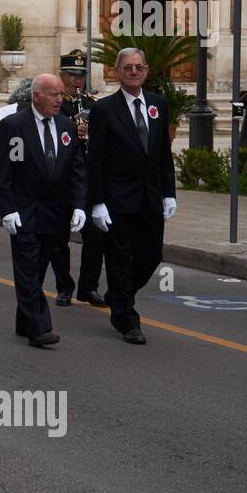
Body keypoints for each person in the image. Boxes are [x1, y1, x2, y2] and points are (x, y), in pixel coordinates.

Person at [87, 47, 177, 345]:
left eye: (139, 67)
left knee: (151, 255)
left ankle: (117, 294)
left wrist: (169, 193)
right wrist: (97, 202)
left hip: (150, 197)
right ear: (117, 72)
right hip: (117, 199)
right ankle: (127, 319)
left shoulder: (158, 104)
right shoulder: (104, 109)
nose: (134, 72)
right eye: (128, 68)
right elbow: (95, 159)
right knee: (118, 259)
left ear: (147, 70)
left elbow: (163, 153)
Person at [0, 73, 88, 348]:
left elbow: (76, 171)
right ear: (36, 96)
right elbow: (5, 172)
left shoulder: (66, 127)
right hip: (24, 211)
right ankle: (40, 328)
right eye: (54, 94)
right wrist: (8, 209)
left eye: (61, 94)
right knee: (26, 270)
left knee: (36, 270)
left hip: (55, 213)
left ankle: (24, 322)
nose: (60, 100)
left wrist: (80, 205)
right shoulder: (14, 126)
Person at [57, 50, 105, 307]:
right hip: (63, 176)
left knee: (95, 235)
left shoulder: (91, 104)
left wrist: (90, 134)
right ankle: (64, 287)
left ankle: (89, 286)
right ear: (62, 76)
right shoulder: (56, 104)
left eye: (81, 76)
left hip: (86, 176)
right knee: (59, 237)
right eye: (72, 76)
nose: (77, 81)